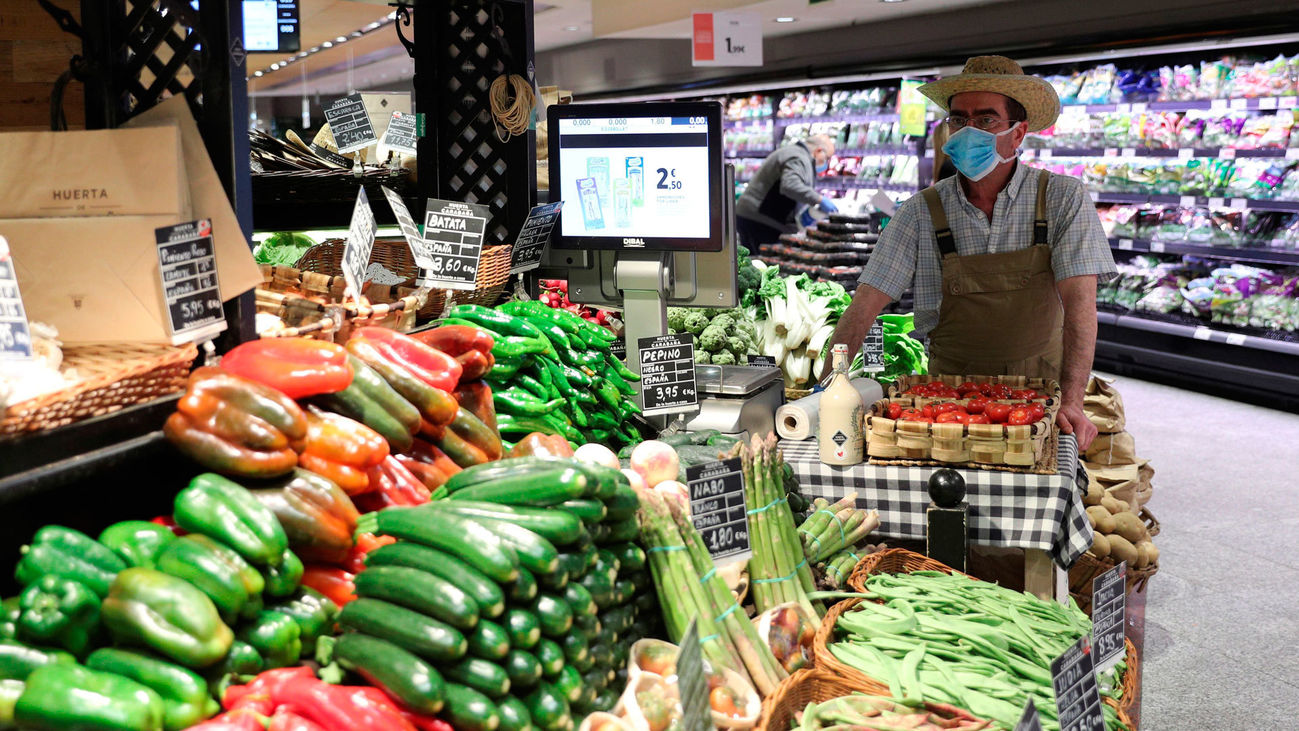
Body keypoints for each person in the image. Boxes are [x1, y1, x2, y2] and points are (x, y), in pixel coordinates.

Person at [822, 56, 1116, 450]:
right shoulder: (919, 212)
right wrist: (826, 387)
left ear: (1018, 133)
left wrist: (1074, 401)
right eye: (958, 119)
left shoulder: (1061, 199)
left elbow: (1081, 305)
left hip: (1039, 396)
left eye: (985, 120)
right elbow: (863, 308)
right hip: (947, 401)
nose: (966, 132)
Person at [735, 134, 839, 247]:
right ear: (818, 151)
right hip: (759, 220)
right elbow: (790, 185)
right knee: (760, 262)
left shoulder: (794, 153)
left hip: (755, 217)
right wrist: (819, 199)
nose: (826, 162)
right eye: (827, 158)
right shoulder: (798, 157)